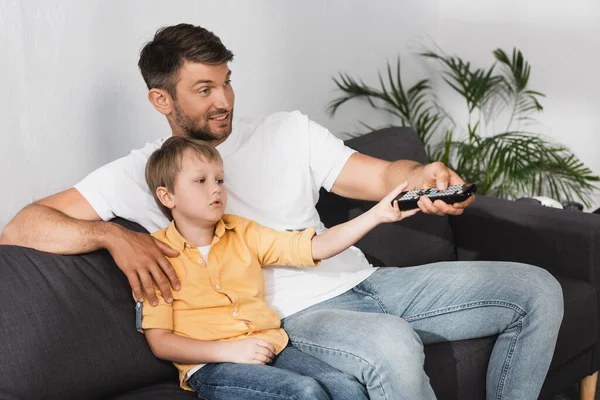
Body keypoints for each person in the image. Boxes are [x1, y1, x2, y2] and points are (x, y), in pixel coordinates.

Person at [0, 23, 563, 399]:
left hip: (366, 281)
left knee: (537, 290)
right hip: (293, 318)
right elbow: (21, 226)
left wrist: (420, 177)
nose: (223, 102)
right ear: (161, 99)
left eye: (226, 83)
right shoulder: (141, 172)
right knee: (390, 344)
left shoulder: (286, 131)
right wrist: (110, 236)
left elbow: (380, 176)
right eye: (203, 89)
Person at [140, 136, 417, 398]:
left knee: (347, 389)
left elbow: (313, 247)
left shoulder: (242, 231)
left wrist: (377, 214)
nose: (216, 188)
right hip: (211, 365)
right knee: (304, 392)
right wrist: (229, 351)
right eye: (200, 180)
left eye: (220, 180)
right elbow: (161, 342)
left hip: (271, 346)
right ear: (167, 197)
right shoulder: (155, 256)